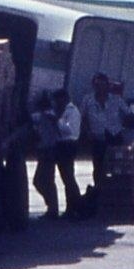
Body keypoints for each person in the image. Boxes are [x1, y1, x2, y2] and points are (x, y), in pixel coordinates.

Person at [80, 71, 133, 190]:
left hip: (114, 136)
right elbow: (82, 117)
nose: (100, 87)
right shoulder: (88, 99)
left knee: (116, 165)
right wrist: (87, 132)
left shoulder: (116, 99)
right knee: (98, 166)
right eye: (97, 85)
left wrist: (121, 125)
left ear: (107, 86)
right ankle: (99, 188)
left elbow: (129, 114)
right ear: (94, 85)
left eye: (103, 85)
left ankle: (115, 189)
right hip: (98, 137)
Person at [50, 88, 84, 218]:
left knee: (69, 177)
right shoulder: (62, 111)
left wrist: (57, 121)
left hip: (69, 144)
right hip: (61, 145)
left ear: (63, 99)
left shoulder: (72, 112)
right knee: (65, 177)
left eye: (57, 100)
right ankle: (71, 207)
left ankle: (77, 206)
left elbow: (70, 130)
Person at [29, 91, 61, 218]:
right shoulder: (47, 116)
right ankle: (52, 207)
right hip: (47, 150)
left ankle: (52, 208)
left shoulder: (48, 117)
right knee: (46, 180)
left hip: (48, 151)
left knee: (41, 181)